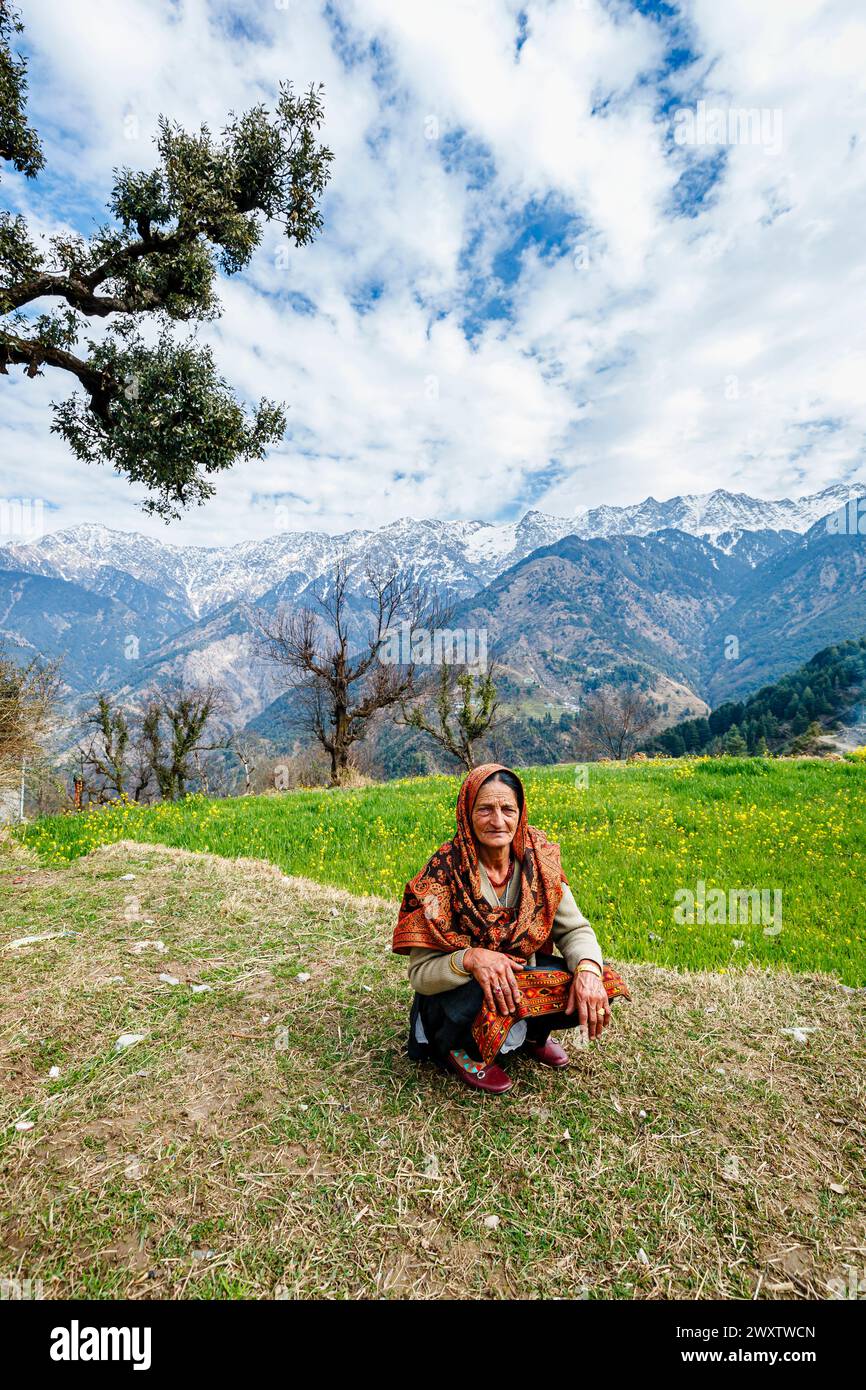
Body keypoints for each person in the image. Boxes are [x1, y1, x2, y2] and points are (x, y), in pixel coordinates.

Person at [392, 762, 630, 1094]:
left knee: (602, 981)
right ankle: (460, 1051)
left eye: (508, 809)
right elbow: (420, 974)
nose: (498, 820)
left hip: (517, 980)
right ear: (466, 813)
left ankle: (531, 1034)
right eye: (485, 809)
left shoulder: (538, 861)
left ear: (520, 813)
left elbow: (575, 931)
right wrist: (471, 959)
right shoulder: (444, 873)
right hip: (458, 994)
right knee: (482, 986)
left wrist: (588, 971)